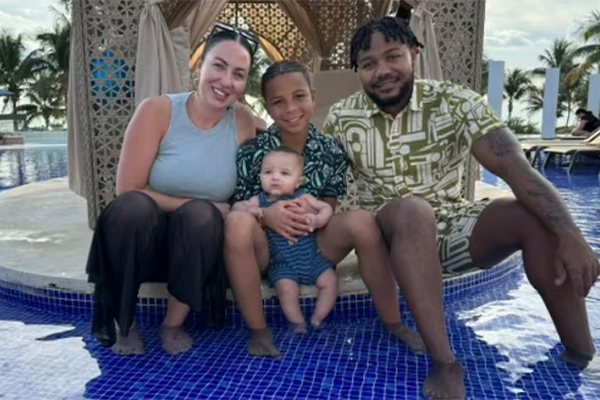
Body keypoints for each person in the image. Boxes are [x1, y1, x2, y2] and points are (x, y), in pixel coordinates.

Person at [323, 16, 599, 400]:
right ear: (358, 71)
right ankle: (445, 362)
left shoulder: (455, 102)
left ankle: (582, 352)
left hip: (453, 227)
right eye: (368, 64)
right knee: (412, 211)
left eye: (392, 56)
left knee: (531, 216)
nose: (381, 71)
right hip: (389, 236)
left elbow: (515, 168)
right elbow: (322, 186)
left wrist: (570, 234)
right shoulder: (342, 117)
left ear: (414, 54)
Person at [225, 60, 424, 357]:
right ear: (267, 107)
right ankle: (258, 331)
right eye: (278, 102)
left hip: (312, 244)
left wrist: (310, 218)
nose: (291, 108)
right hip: (270, 250)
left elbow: (328, 207)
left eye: (299, 96)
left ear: (313, 96)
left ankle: (392, 321)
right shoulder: (252, 152)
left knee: (362, 221)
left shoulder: (330, 150)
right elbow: (239, 207)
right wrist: (267, 216)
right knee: (236, 223)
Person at [85, 24, 258, 356]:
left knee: (201, 216)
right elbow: (127, 188)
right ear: (199, 66)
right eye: (219, 66)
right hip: (142, 243)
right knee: (132, 208)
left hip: (198, 247)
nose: (226, 81)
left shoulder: (242, 121)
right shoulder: (158, 110)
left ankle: (173, 323)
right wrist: (195, 202)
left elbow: (249, 184)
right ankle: (124, 322)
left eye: (238, 74)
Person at [233, 147, 338, 332]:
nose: (275, 177)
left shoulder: (304, 198)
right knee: (286, 291)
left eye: (284, 173)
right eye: (268, 172)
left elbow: (326, 208)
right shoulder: (260, 201)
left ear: (298, 182)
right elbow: (236, 209)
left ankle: (318, 317)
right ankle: (298, 323)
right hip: (282, 264)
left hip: (311, 258)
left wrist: (318, 220)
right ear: (260, 177)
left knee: (330, 281)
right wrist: (254, 211)